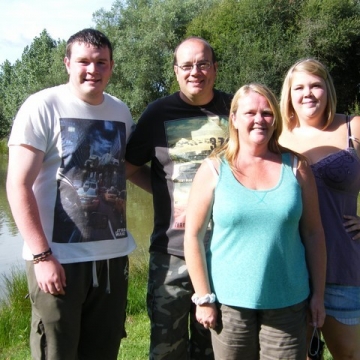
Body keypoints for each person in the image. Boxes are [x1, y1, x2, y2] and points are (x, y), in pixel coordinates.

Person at [6, 28, 139, 360]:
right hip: (59, 260)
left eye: (101, 62)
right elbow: (17, 185)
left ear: (111, 66)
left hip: (112, 256)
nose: (92, 70)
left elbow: (127, 170)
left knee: (104, 350)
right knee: (57, 352)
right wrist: (41, 257)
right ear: (67, 63)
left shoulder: (120, 111)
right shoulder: (42, 106)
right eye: (84, 61)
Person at [184, 83, 327, 359]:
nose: (259, 120)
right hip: (229, 306)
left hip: (288, 302)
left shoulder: (297, 167)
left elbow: (314, 234)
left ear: (276, 119)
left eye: (267, 113)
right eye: (250, 113)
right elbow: (193, 235)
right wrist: (203, 298)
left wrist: (318, 295)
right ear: (234, 119)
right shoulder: (214, 168)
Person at [125, 36, 232, 359]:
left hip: (225, 249)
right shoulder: (158, 113)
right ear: (175, 71)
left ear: (214, 68)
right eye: (187, 65)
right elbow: (129, 169)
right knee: (166, 349)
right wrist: (166, 196)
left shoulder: (236, 108)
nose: (195, 71)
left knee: (215, 346)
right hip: (171, 252)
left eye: (202, 64)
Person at [279, 58, 360, 360]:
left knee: (349, 355)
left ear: (328, 88)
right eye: (299, 87)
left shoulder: (353, 127)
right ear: (289, 94)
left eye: (315, 85)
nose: (308, 93)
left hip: (342, 263)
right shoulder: (275, 136)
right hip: (290, 269)